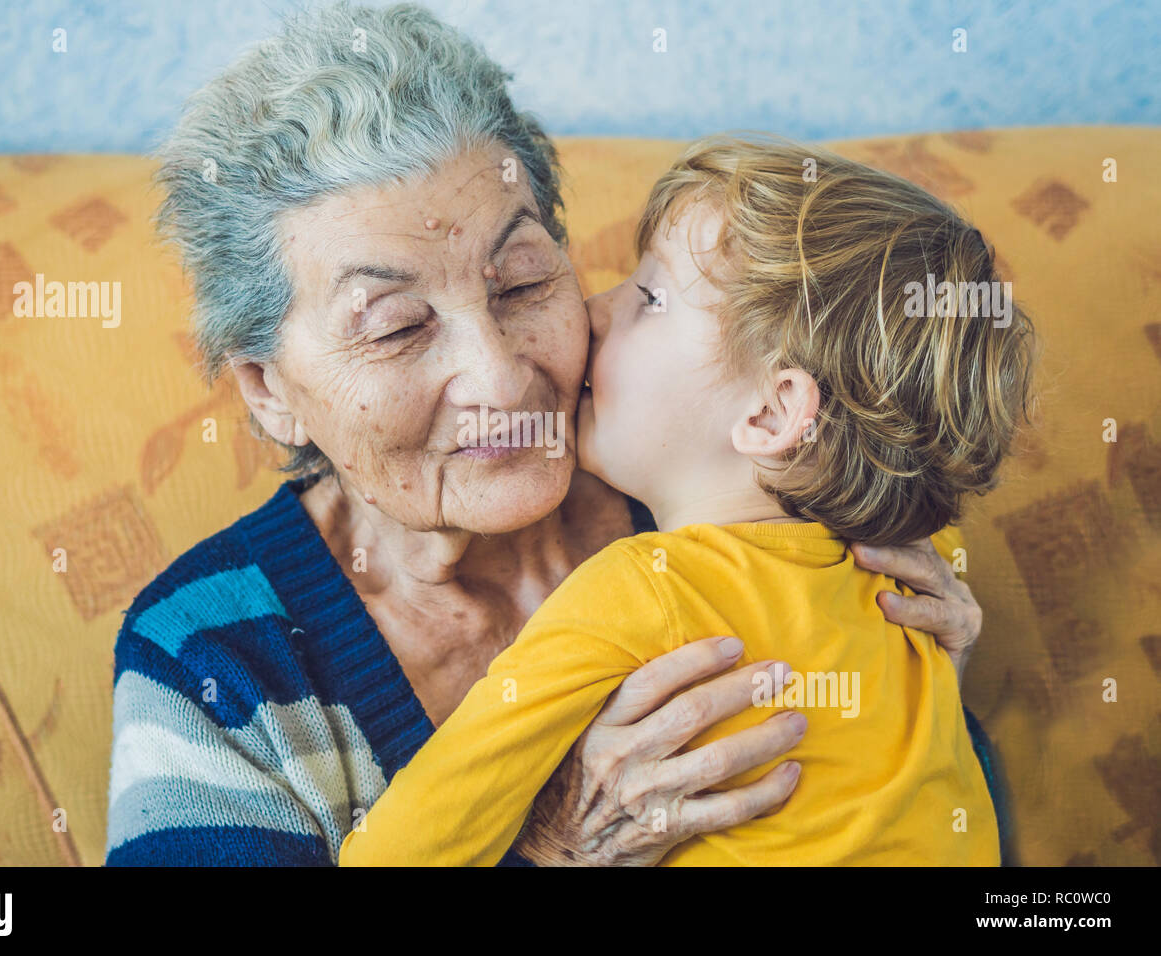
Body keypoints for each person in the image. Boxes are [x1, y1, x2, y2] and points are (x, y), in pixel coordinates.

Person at [106, 5, 998, 867]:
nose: (499, 375)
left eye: (523, 281)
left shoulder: (739, 493)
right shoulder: (210, 657)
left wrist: (921, 674)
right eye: (396, 326)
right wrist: (555, 853)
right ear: (268, 389)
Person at [338, 135, 1035, 866]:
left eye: (649, 299)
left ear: (770, 414)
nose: (595, 307)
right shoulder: (923, 581)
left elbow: (400, 852)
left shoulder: (636, 591)